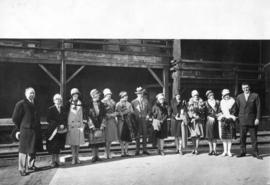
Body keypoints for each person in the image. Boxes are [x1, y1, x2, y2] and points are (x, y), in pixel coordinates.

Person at [12, 87, 43, 176]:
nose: (32, 95)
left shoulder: (36, 103)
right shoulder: (20, 104)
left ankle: (31, 165)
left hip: (35, 130)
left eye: (33, 93)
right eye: (30, 93)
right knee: (23, 150)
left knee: (33, 149)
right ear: (26, 94)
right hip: (25, 131)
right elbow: (15, 118)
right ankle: (22, 169)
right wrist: (19, 129)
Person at [236, 82, 262, 159]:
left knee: (254, 138)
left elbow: (258, 108)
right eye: (244, 88)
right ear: (242, 88)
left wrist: (257, 118)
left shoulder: (255, 95)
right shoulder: (239, 97)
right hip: (242, 120)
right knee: (242, 138)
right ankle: (242, 152)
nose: (245, 89)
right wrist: (237, 118)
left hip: (252, 121)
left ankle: (255, 152)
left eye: (246, 87)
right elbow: (236, 109)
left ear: (249, 87)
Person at [45, 94, 67, 167]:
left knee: (58, 146)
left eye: (59, 99)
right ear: (54, 101)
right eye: (56, 99)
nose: (58, 101)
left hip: (61, 131)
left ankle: (58, 160)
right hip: (53, 131)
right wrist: (57, 125)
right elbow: (48, 120)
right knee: (53, 146)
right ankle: (53, 161)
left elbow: (65, 118)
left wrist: (63, 124)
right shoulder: (50, 109)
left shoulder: (63, 108)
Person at [65, 88, 85, 164]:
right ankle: (73, 158)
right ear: (72, 95)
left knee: (78, 143)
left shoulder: (81, 103)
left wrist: (83, 124)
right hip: (71, 125)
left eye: (76, 94)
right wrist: (67, 124)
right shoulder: (68, 103)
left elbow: (82, 114)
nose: (75, 95)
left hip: (79, 125)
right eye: (74, 94)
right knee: (73, 143)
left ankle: (77, 157)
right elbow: (66, 114)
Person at [88, 89, 106, 162]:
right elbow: (87, 116)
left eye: (98, 94)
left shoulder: (101, 104)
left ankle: (97, 156)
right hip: (92, 125)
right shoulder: (89, 104)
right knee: (93, 142)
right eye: (97, 94)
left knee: (98, 141)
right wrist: (91, 125)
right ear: (93, 95)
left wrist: (103, 124)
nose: (99, 95)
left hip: (99, 124)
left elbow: (104, 115)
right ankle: (93, 156)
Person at [131, 87, 151, 156]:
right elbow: (131, 111)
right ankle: (137, 150)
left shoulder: (146, 101)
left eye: (141, 93)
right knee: (137, 135)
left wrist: (148, 115)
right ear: (137, 94)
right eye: (139, 93)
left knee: (145, 135)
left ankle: (145, 150)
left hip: (144, 119)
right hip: (137, 120)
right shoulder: (133, 102)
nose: (140, 94)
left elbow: (149, 110)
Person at [218, 89, 237, 157]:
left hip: (230, 120)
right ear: (223, 96)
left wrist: (230, 117)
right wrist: (222, 115)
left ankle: (229, 151)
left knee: (229, 137)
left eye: (227, 95)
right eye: (225, 95)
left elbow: (234, 111)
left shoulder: (233, 101)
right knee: (224, 137)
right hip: (223, 120)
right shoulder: (221, 102)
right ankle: (224, 151)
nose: (226, 96)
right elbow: (219, 111)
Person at [116, 91, 135, 157]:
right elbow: (116, 113)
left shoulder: (129, 104)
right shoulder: (118, 104)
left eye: (126, 96)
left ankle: (126, 151)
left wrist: (129, 112)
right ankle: (122, 151)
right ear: (122, 97)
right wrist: (121, 113)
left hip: (128, 121)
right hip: (121, 122)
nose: (126, 97)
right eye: (125, 96)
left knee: (128, 136)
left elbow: (132, 112)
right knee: (121, 136)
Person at [101, 88, 118, 159]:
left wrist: (115, 114)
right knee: (106, 138)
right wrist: (110, 115)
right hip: (106, 121)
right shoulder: (102, 102)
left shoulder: (113, 101)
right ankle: (106, 152)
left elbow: (115, 110)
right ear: (105, 95)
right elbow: (102, 112)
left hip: (112, 121)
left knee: (110, 137)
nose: (109, 95)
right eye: (108, 94)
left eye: (110, 94)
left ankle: (108, 151)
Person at [187, 90, 205, 155]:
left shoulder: (201, 102)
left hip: (198, 121)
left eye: (197, 95)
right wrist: (192, 116)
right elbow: (188, 111)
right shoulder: (190, 102)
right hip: (192, 121)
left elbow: (203, 111)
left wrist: (198, 116)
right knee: (193, 136)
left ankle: (196, 149)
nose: (196, 97)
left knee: (197, 136)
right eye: (195, 95)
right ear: (192, 96)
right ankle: (193, 148)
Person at [205, 90, 220, 156]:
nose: (211, 96)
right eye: (210, 95)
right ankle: (210, 150)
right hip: (209, 120)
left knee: (215, 136)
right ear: (208, 96)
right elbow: (204, 112)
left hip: (215, 120)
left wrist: (218, 114)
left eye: (212, 95)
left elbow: (219, 110)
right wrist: (207, 117)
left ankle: (215, 150)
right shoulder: (205, 103)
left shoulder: (217, 102)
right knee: (209, 136)